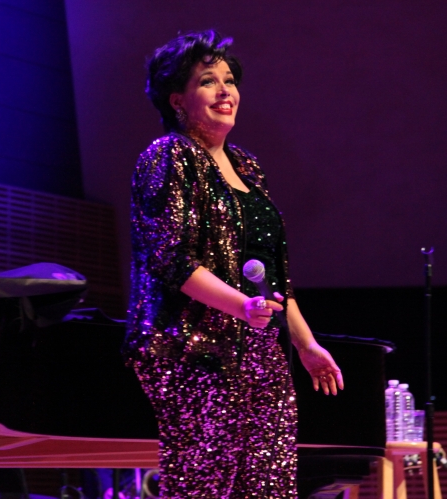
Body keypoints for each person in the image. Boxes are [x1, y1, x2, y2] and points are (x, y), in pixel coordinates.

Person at [125, 30, 344, 499]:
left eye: (230, 79)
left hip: (259, 351)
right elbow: (172, 259)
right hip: (193, 349)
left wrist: (304, 343)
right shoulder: (168, 156)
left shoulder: (248, 167)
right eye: (209, 81)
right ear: (177, 99)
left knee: (267, 486)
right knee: (203, 486)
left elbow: (273, 275)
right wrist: (241, 307)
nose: (226, 91)